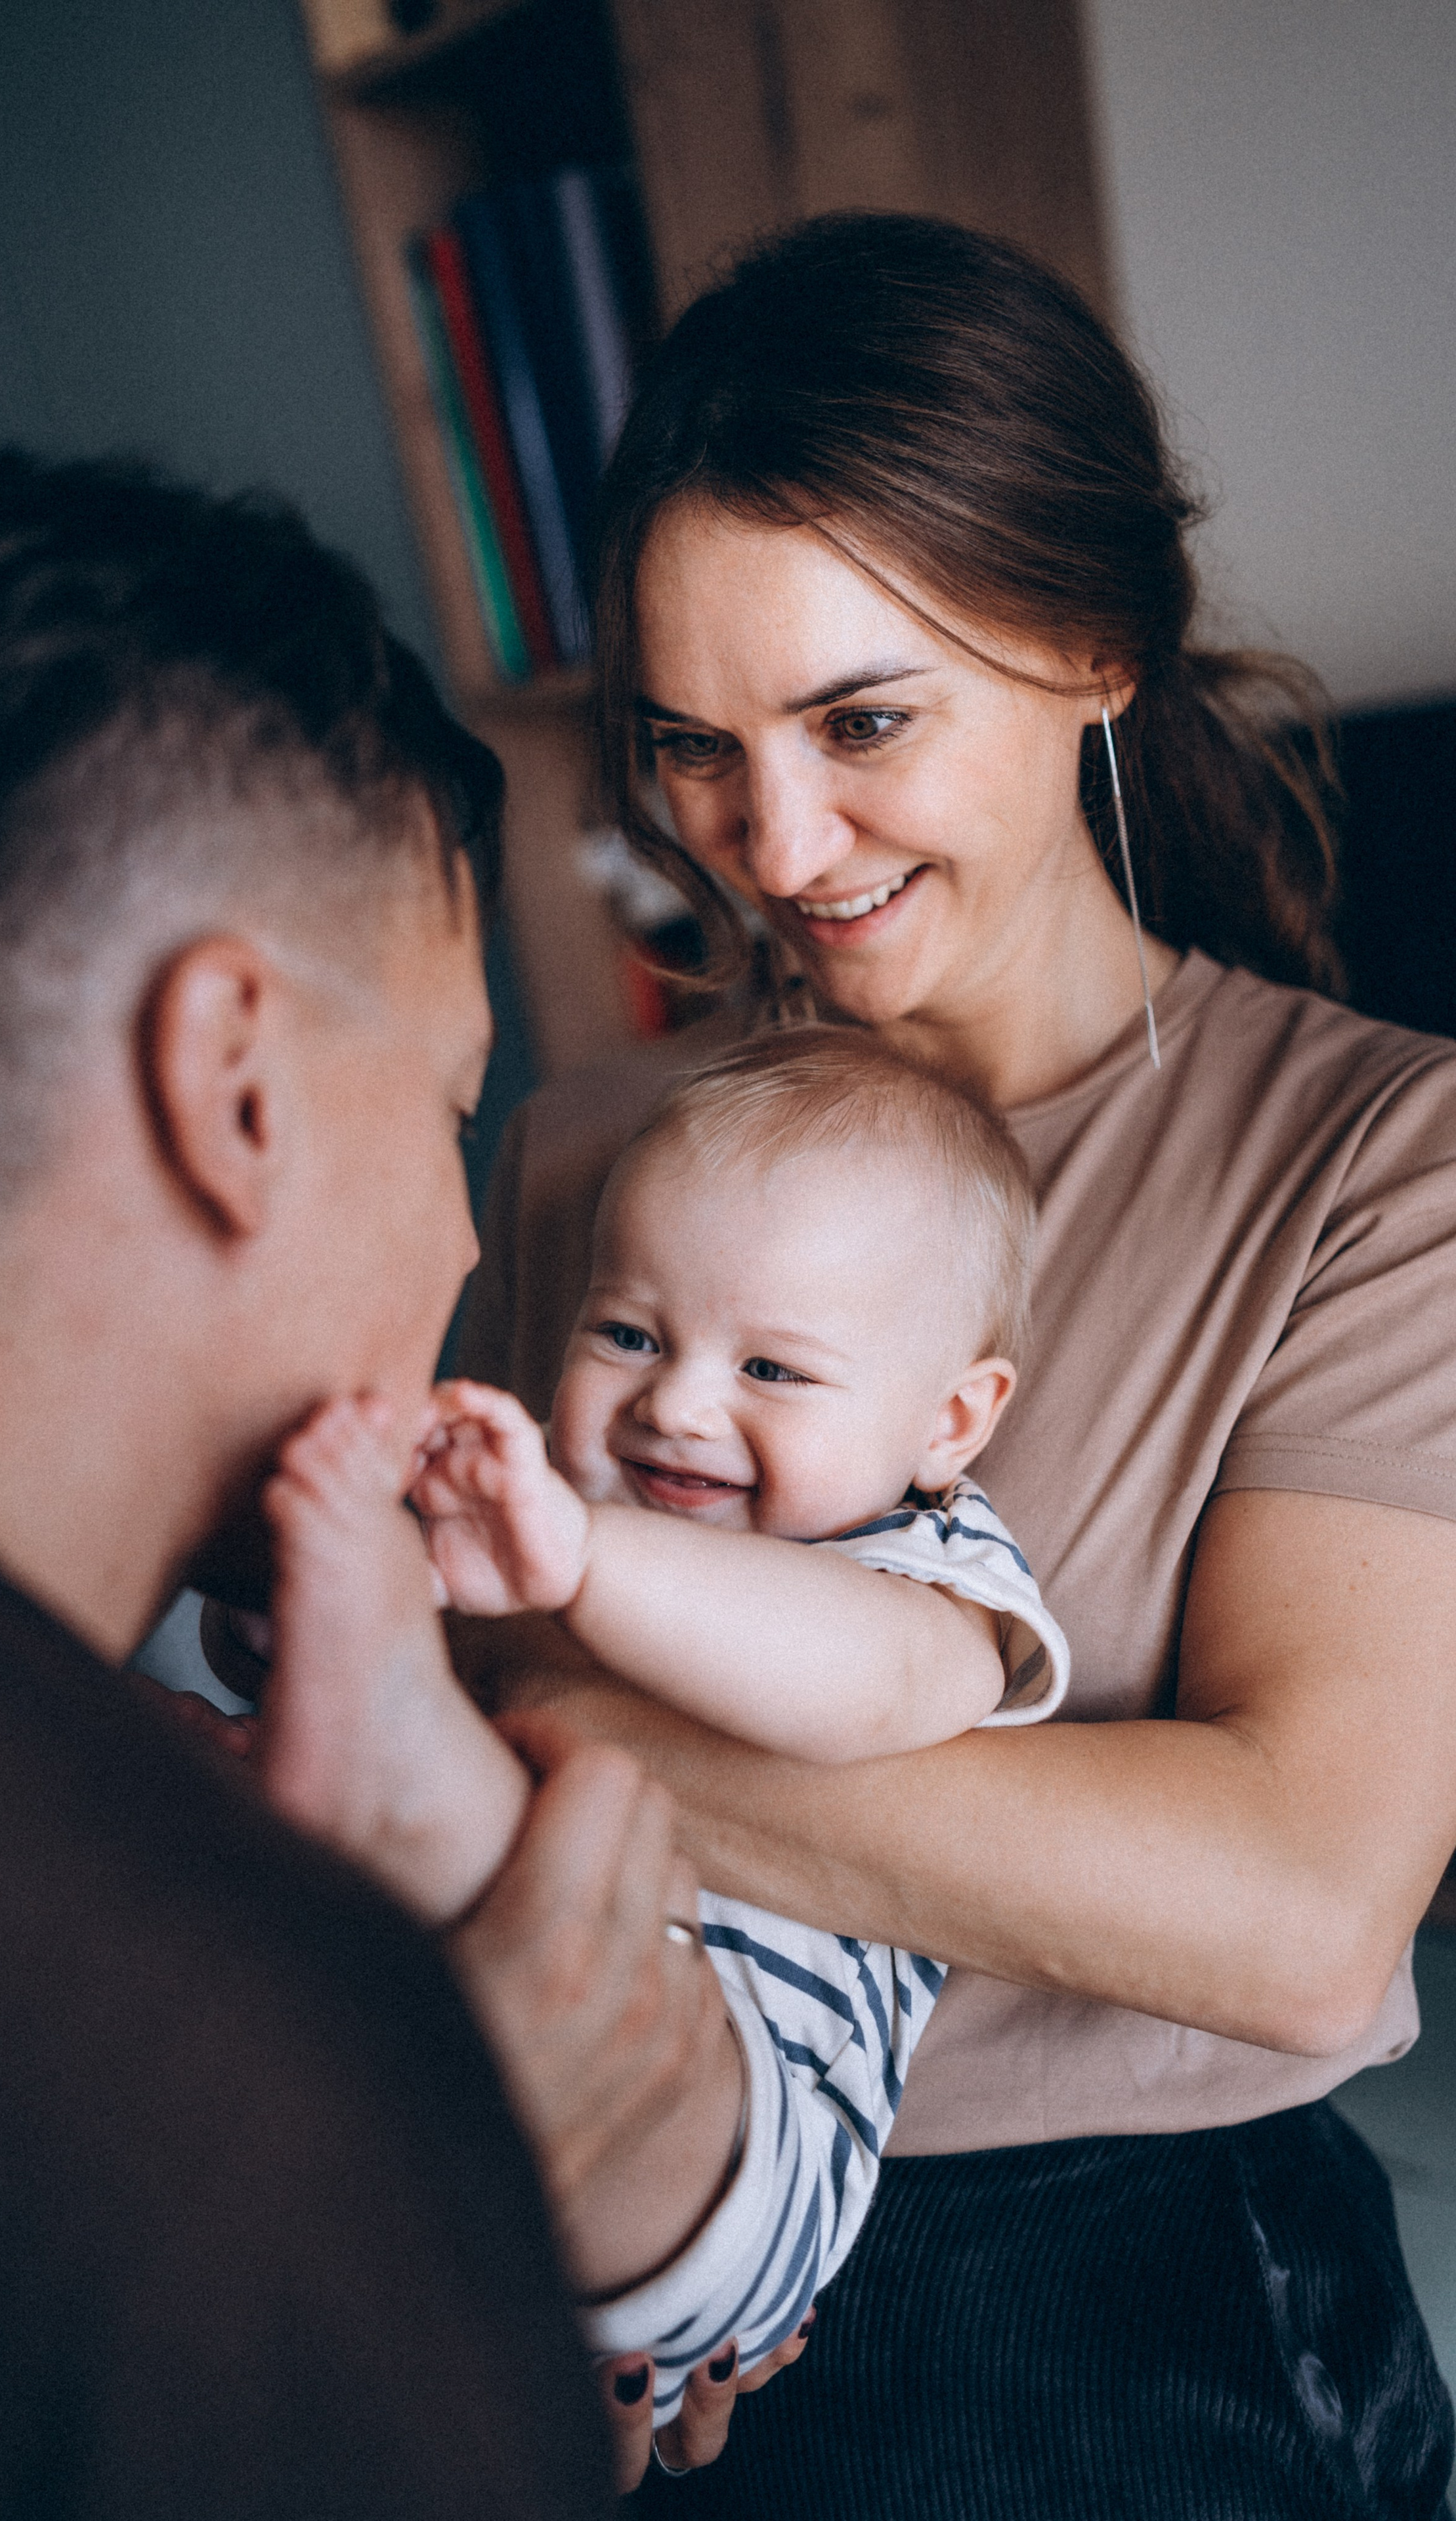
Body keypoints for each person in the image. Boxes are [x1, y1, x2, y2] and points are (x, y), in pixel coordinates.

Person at [456, 214, 1456, 2515]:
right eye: (690, 748)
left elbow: (1304, 1923)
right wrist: (626, 2208)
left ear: (1096, 646)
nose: (773, 850)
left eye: (862, 720)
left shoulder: (1381, 1163)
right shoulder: (591, 1146)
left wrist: (561, 1711)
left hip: (1130, 2293)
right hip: (643, 2212)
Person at [0, 448, 784, 2514]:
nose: (471, 1246)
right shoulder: (222, 2076)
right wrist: (428, 2207)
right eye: (441, 1105)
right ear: (233, 1082)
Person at [261, 1027, 1067, 2419]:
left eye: (773, 1372)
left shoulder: (926, 1568)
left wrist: (570, 1560)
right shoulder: (571, 1504)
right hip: (423, 2094)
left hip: (747, 2146)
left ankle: (391, 1746)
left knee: (623, 2052)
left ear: (949, 1420)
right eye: (627, 1333)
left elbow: (867, 1686)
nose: (677, 1405)